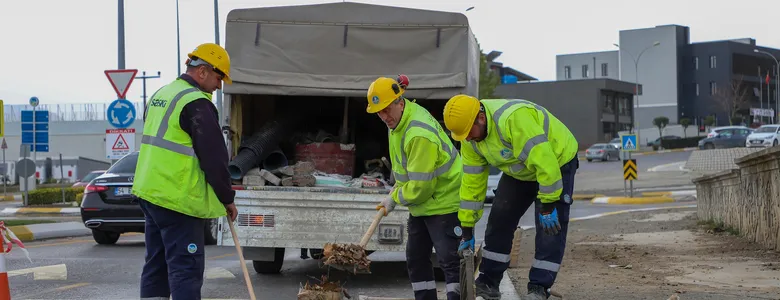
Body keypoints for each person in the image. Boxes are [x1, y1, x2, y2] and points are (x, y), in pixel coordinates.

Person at [442, 95, 579, 300]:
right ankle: (488, 282)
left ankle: (539, 287)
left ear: (481, 117)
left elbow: (545, 163)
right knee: (500, 219)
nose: (467, 138)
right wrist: (467, 229)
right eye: (463, 136)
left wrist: (548, 205)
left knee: (549, 228)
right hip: (521, 169)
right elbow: (472, 185)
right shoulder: (469, 139)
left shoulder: (513, 120)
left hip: (556, 160)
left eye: (469, 132)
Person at [132, 42, 238, 300]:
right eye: (218, 77)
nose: (219, 85)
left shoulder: (161, 95)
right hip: (177, 199)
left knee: (156, 266)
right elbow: (214, 158)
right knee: (186, 270)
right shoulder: (196, 103)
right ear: (202, 71)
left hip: (151, 194)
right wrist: (227, 197)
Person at [368, 75, 464, 300]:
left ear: (400, 102)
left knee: (449, 261)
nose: (384, 117)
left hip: (444, 201)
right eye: (379, 112)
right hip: (423, 204)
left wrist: (395, 198)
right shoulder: (398, 123)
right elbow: (408, 170)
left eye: (386, 110)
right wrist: (398, 189)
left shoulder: (418, 133)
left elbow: (421, 187)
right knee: (416, 258)